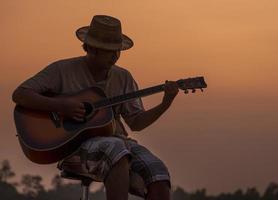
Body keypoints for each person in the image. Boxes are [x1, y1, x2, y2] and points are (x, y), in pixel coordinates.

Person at [12, 15, 179, 200]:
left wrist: (166, 103)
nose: (115, 55)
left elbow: (137, 123)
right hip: (73, 147)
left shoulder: (123, 77)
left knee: (158, 172)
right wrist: (61, 106)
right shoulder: (62, 70)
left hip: (119, 143)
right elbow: (20, 94)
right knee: (116, 150)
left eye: (117, 50)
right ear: (91, 48)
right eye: (109, 51)